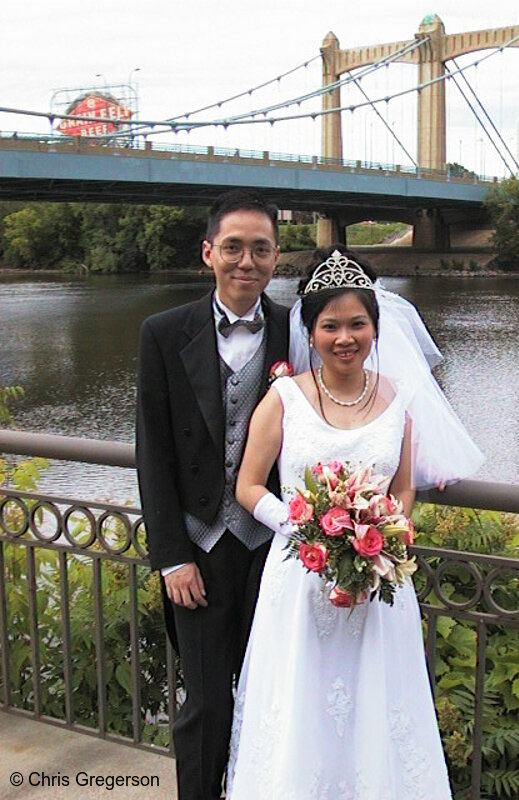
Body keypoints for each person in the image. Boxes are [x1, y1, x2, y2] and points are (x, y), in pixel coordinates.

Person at [226, 246, 484, 799]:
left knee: (377, 704)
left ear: (375, 327)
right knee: (301, 706)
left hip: (378, 589)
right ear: (311, 332)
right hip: (299, 583)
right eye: (331, 326)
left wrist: (382, 544)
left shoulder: (400, 398)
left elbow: (403, 487)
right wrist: (301, 527)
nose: (345, 337)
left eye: (358, 324)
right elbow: (248, 485)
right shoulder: (284, 398)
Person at [135, 189, 289, 800]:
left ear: (277, 259)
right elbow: (153, 452)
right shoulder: (163, 333)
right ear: (208, 253)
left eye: (261, 249)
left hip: (273, 548)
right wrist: (171, 556)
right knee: (204, 703)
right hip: (198, 550)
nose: (246, 261)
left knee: (271, 694)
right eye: (233, 248)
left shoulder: (298, 330)